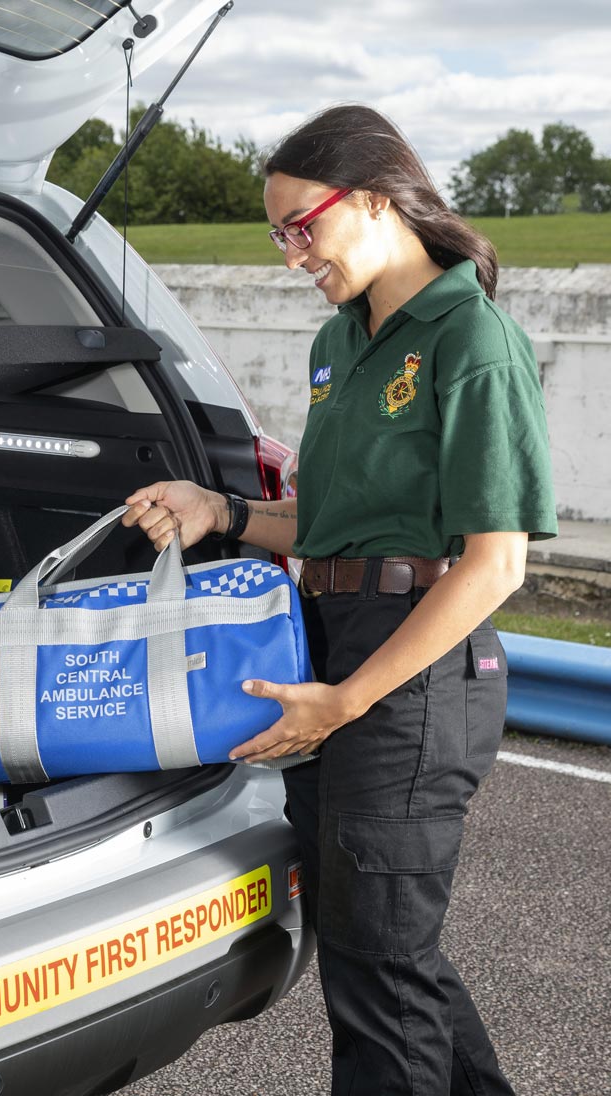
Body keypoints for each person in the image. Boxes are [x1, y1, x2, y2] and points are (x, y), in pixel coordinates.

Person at [123, 103, 556, 1096]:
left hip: (409, 665)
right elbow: (317, 523)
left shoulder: (468, 336)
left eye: (299, 226)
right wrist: (219, 509)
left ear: (369, 199)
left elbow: (495, 565)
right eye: (277, 235)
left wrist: (350, 698)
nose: (289, 254)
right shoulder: (339, 341)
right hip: (328, 638)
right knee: (382, 955)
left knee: (376, 977)